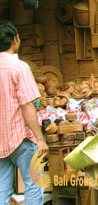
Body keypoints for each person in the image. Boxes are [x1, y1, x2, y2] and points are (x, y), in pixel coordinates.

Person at [0, 21, 48, 204]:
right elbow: (27, 106)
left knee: (1, 188)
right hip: (21, 138)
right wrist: (40, 139)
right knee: (34, 184)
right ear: (15, 40)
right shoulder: (19, 67)